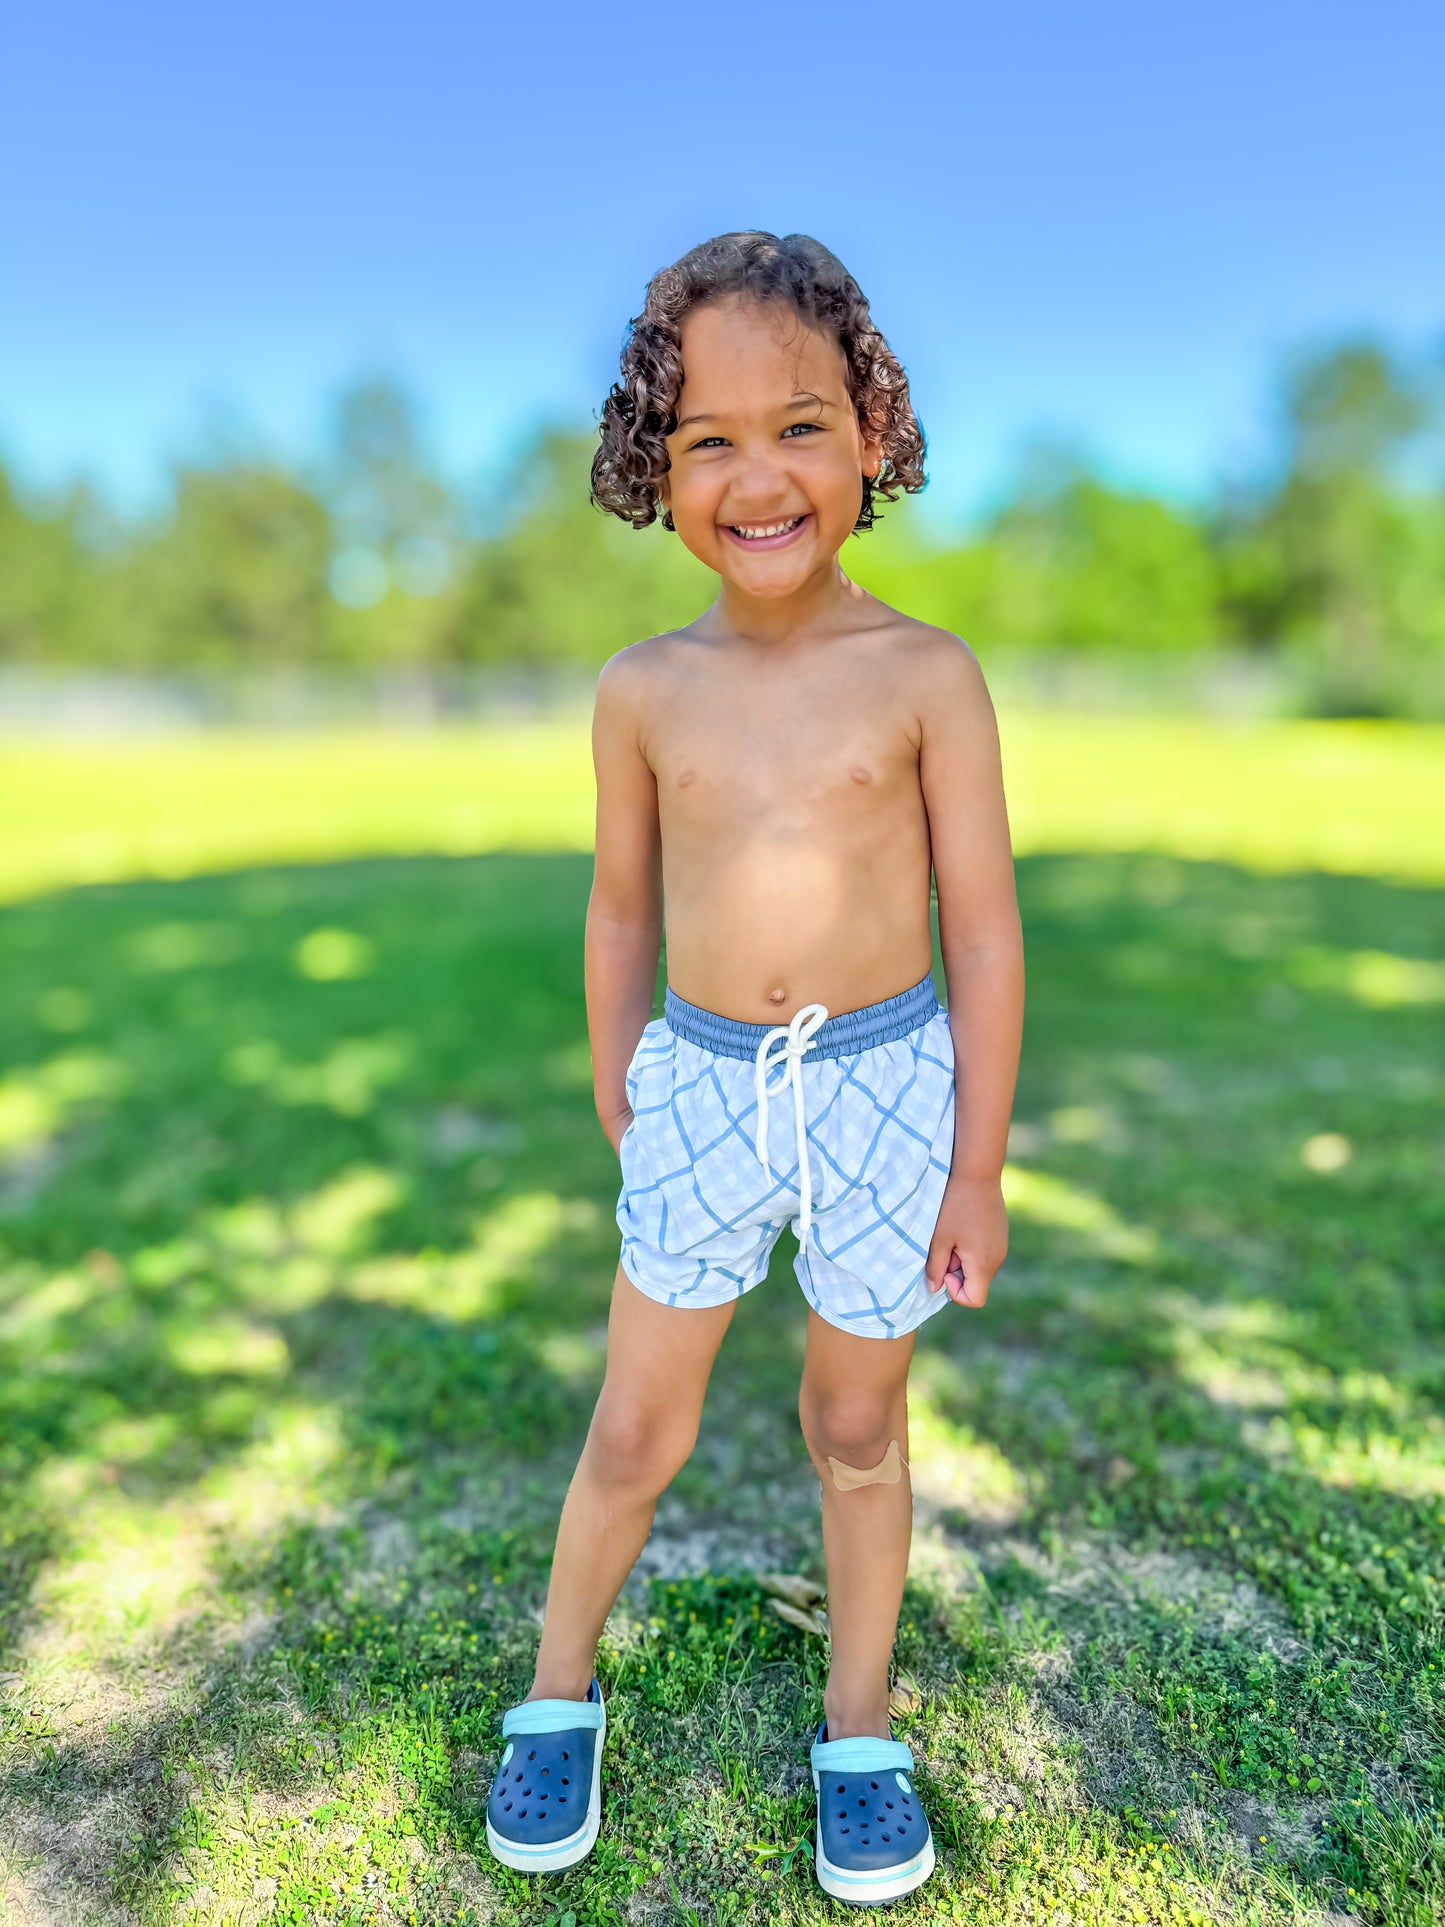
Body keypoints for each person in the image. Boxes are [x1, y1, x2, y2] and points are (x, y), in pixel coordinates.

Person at [484, 231, 1024, 1906]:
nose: (757, 474)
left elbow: (987, 928)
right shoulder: (644, 690)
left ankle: (857, 1728)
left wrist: (974, 1166)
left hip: (884, 1092)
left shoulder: (927, 674)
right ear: (658, 467)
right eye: (706, 439)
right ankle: (558, 1693)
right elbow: (619, 904)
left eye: (797, 424)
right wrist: (616, 1081)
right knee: (637, 1425)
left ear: (871, 432)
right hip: (705, 1090)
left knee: (854, 1424)